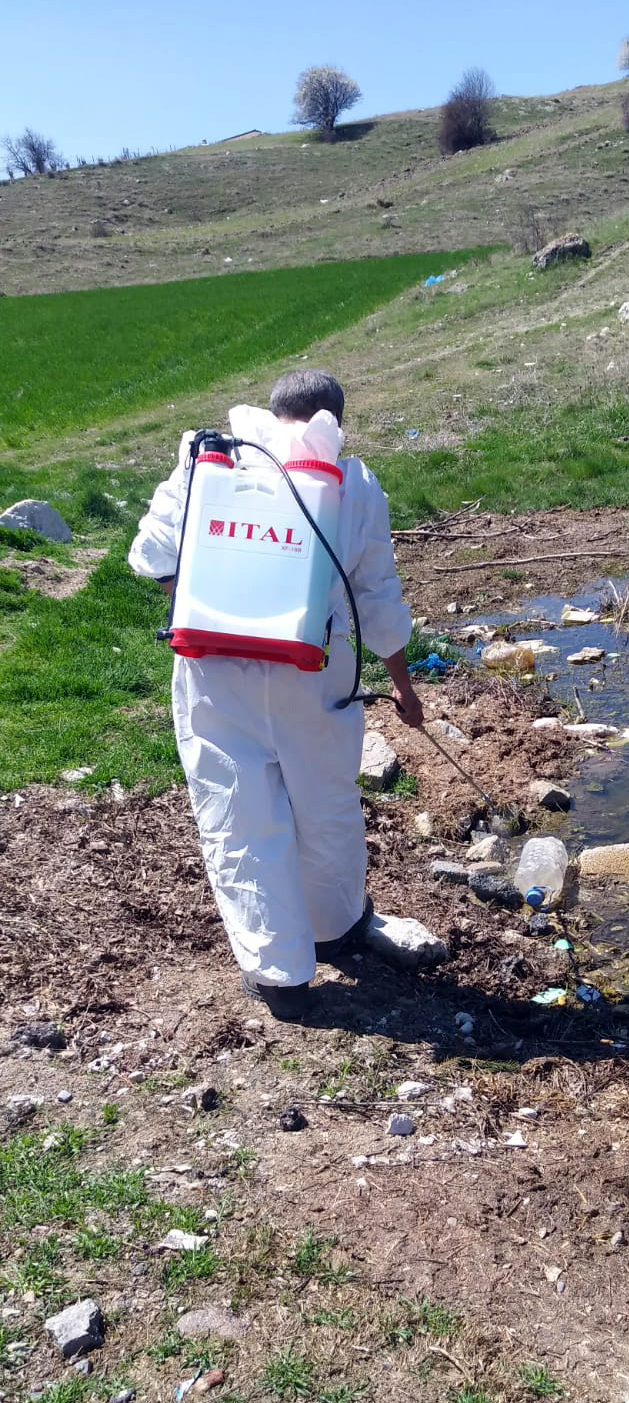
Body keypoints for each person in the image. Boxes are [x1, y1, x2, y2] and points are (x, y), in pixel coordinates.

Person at [128, 368, 424, 1020]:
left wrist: (215, 608)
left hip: (214, 672)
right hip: (314, 666)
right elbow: (377, 598)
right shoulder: (356, 485)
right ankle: (337, 928)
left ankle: (279, 975)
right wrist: (403, 688)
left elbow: (149, 557)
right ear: (336, 423)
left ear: (271, 411)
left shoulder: (206, 462)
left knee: (238, 814)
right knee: (326, 804)